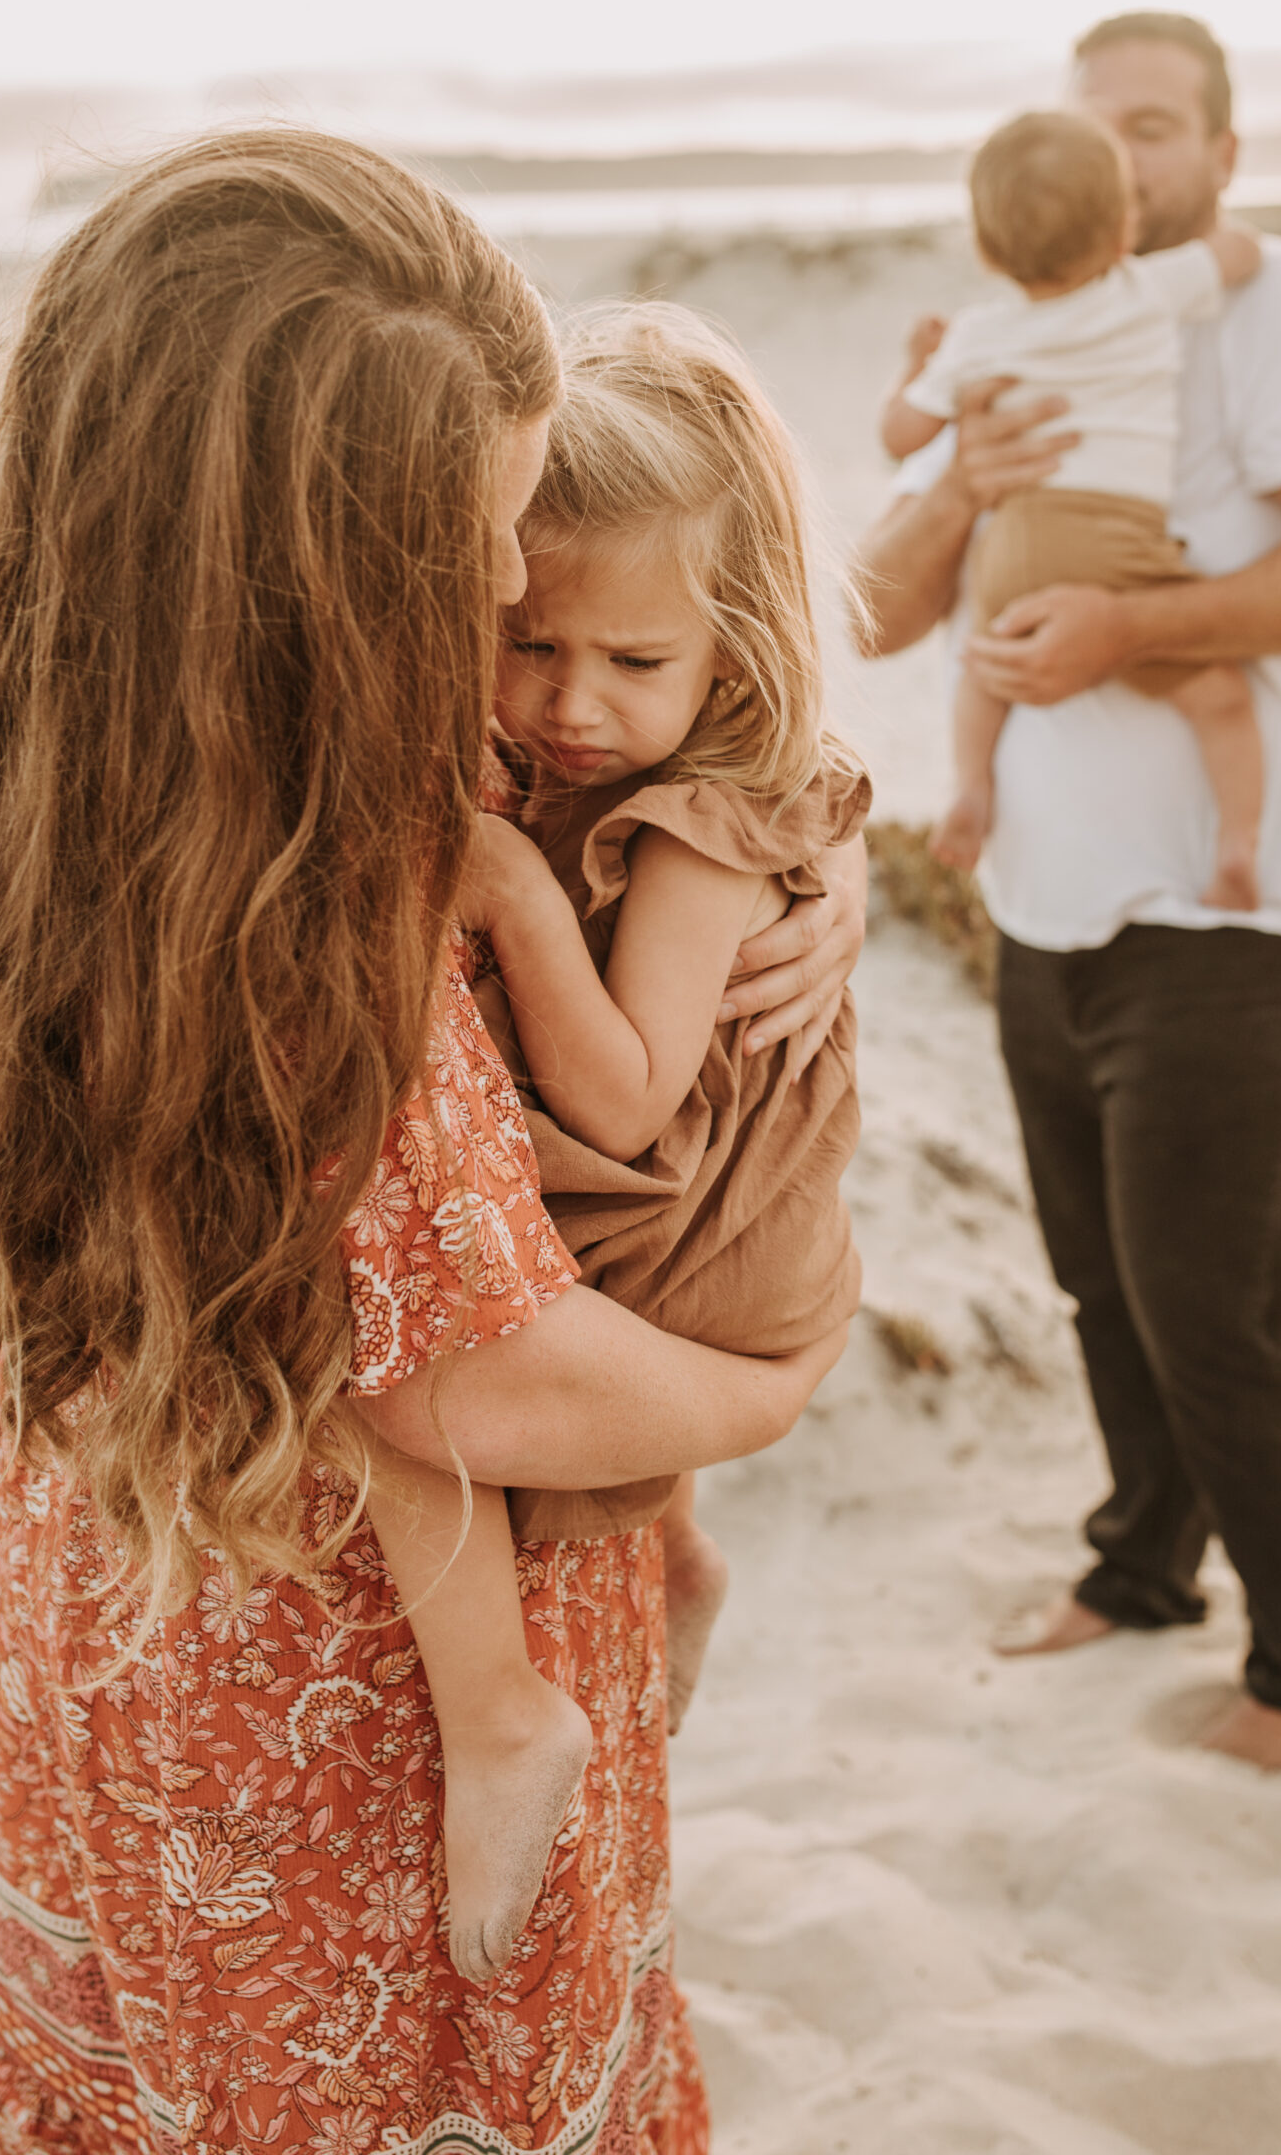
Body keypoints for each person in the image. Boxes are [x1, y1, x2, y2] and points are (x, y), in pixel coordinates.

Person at [0, 128, 859, 2150]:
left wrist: (792, 875)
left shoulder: (18, 751)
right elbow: (475, 1373)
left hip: (100, 1582)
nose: (509, 589)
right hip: (327, 1674)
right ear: (323, 574)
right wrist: (778, 1375)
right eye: (473, 545)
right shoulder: (321, 903)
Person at [857, 12, 1281, 1772]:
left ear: (1219, 154)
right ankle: (1140, 1575)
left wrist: (1139, 629)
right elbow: (885, 611)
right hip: (1045, 905)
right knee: (1100, 1284)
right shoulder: (1027, 337)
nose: (1119, 160)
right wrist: (960, 482)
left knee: (1213, 1305)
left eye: (1153, 127)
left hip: (1245, 915)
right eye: (1087, 128)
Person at [370, 304, 867, 1989]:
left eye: (636, 665)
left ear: (728, 658)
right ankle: (679, 1554)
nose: (574, 705)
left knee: (395, 1342)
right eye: (533, 646)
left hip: (700, 1219)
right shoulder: (574, 738)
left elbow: (628, 1100)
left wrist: (510, 893)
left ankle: (526, 1691)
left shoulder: (700, 817)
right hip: (673, 1203)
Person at [879, 107, 1265, 904]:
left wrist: (917, 367)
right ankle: (1236, 846)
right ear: (1124, 230)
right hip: (1119, 541)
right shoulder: (1146, 290)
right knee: (1218, 697)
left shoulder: (979, 335)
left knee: (985, 668)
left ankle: (968, 790)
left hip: (1020, 539)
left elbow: (900, 435)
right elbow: (1241, 254)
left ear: (986, 248)